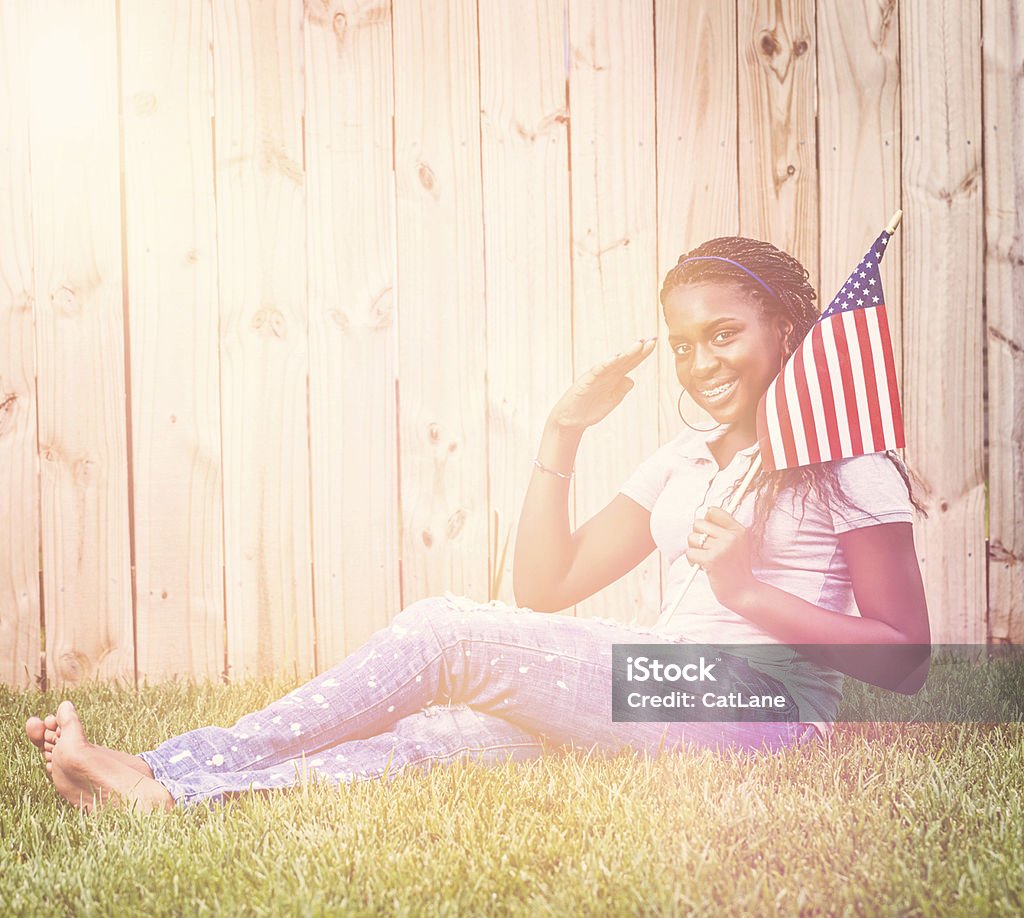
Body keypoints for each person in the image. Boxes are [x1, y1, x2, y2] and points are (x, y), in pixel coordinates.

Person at [25, 235, 931, 814]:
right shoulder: (685, 460)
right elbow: (548, 587)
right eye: (684, 344)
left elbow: (905, 656)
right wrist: (562, 431)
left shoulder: (849, 465)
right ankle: (164, 793)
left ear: (785, 329)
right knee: (438, 741)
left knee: (448, 630)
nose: (700, 362)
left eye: (724, 335)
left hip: (761, 708)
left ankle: (156, 765)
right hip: (670, 685)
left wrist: (745, 591)